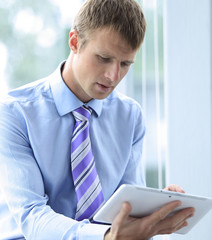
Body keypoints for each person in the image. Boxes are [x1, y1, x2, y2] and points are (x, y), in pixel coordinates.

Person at [0, 0, 194, 239]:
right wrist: (103, 237)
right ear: (74, 42)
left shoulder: (129, 116)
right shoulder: (15, 113)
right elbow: (31, 216)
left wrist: (153, 211)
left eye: (125, 64)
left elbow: (127, 204)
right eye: (103, 58)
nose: (113, 76)